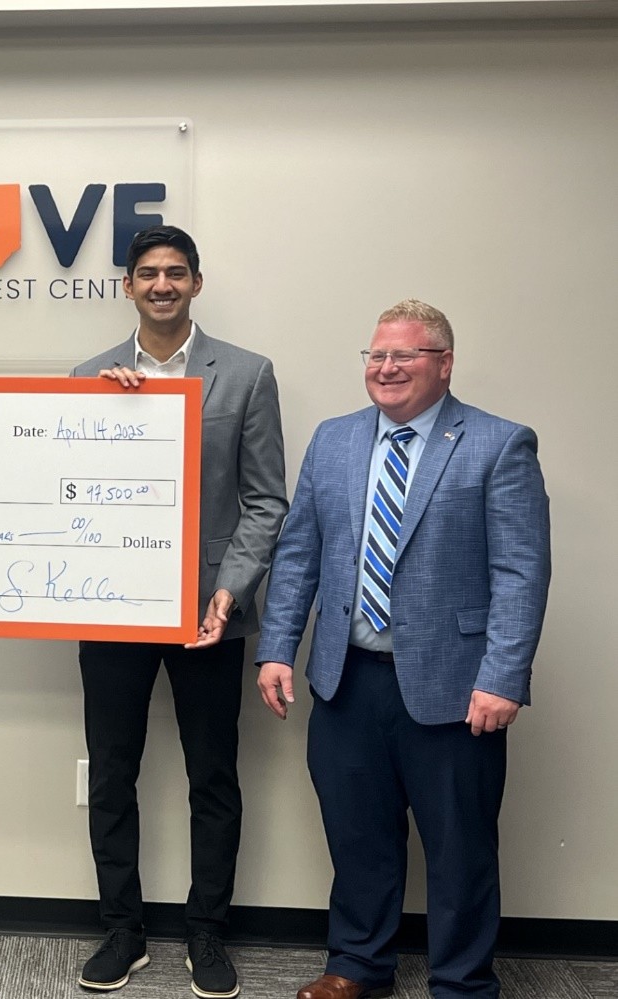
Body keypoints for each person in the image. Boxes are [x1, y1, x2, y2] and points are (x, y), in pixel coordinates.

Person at [255, 300, 551, 999]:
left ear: (443, 364)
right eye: (375, 355)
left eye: (404, 356)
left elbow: (521, 570)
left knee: (461, 848)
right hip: (345, 679)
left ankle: (461, 981)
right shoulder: (333, 440)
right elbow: (299, 552)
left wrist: (503, 676)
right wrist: (277, 649)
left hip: (456, 686)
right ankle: (357, 965)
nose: (386, 368)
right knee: (357, 836)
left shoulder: (498, 443)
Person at [70, 225, 288, 998]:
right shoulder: (90, 374)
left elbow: (266, 500)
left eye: (176, 273)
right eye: (147, 274)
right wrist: (111, 418)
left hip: (209, 614)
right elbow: (71, 491)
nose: (161, 284)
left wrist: (232, 588)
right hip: (114, 610)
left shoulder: (248, 374)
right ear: (128, 286)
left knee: (213, 775)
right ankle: (122, 928)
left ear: (196, 282)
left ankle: (206, 931)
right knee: (112, 775)